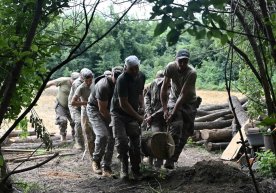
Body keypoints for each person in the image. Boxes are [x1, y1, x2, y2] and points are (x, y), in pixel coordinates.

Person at [161, 49, 197, 169]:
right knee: (176, 127)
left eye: (185, 62)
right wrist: (165, 109)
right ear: (175, 60)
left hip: (188, 102)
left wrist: (173, 112)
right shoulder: (170, 67)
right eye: (180, 61)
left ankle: (173, 159)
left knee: (186, 132)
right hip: (173, 99)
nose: (182, 64)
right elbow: (164, 87)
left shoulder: (192, 73)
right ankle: (168, 158)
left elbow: (183, 95)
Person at [111, 55, 145, 180]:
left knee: (136, 143)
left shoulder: (141, 76)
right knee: (122, 142)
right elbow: (123, 104)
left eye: (136, 68)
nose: (134, 71)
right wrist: (138, 117)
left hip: (133, 114)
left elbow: (140, 92)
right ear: (126, 68)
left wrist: (142, 106)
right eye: (131, 69)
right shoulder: (122, 79)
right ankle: (124, 168)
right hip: (119, 114)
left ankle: (136, 170)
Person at [87, 66, 123, 177]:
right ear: (111, 75)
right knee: (102, 135)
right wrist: (112, 122)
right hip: (95, 109)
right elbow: (102, 109)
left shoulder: (123, 81)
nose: (118, 81)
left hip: (110, 109)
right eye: (116, 78)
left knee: (112, 136)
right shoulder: (103, 86)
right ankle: (96, 161)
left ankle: (106, 166)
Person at [46, 72, 80, 141]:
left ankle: (75, 138)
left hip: (73, 106)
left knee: (75, 122)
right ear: (71, 78)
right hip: (61, 105)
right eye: (74, 80)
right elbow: (50, 83)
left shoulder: (79, 84)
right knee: (62, 120)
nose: (75, 82)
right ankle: (63, 137)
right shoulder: (63, 80)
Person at [144, 70, 167, 168]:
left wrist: (151, 116)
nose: (159, 82)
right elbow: (147, 97)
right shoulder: (152, 85)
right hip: (153, 118)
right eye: (158, 79)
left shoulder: (169, 86)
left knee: (164, 139)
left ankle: (159, 163)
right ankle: (150, 162)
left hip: (165, 118)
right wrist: (149, 112)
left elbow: (168, 105)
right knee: (154, 138)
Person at [71, 69, 95, 159]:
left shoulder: (95, 84)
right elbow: (73, 102)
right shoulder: (80, 87)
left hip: (95, 111)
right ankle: (92, 157)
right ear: (83, 79)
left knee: (97, 134)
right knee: (89, 135)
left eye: (90, 80)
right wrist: (86, 103)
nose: (89, 82)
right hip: (85, 113)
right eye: (86, 80)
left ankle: (98, 154)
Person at [68, 68, 90, 149]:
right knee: (78, 122)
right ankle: (79, 143)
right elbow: (80, 100)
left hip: (85, 104)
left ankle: (88, 140)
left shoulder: (90, 80)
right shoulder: (77, 84)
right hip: (75, 105)